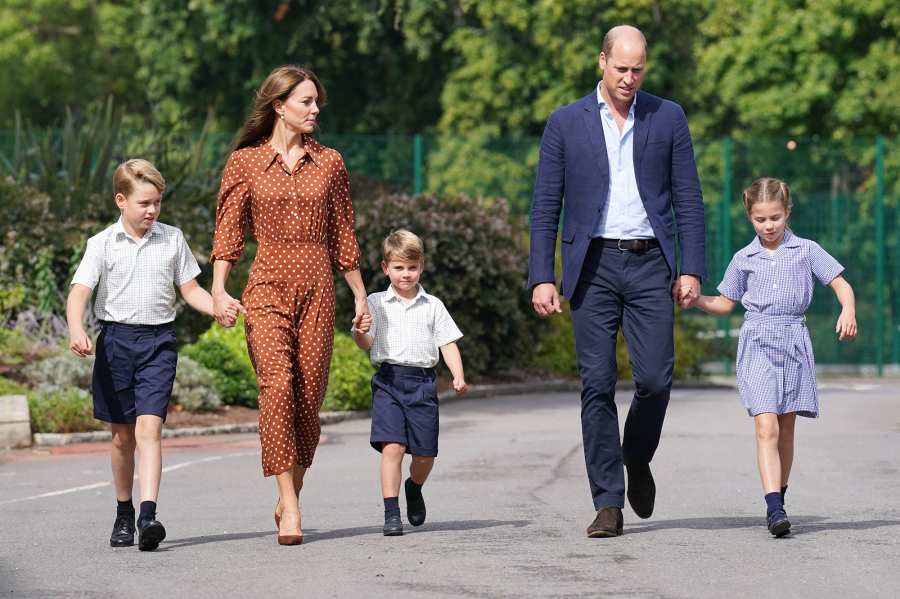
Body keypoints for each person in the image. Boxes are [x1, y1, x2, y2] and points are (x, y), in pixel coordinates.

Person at [528, 25, 707, 537]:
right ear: (601, 61)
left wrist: (690, 267)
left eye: (638, 69)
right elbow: (545, 207)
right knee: (598, 384)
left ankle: (637, 455)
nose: (629, 78)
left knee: (654, 379)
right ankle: (607, 501)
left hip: (652, 263)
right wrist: (543, 276)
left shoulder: (667, 116)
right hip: (593, 265)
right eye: (621, 68)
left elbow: (689, 199)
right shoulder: (565, 123)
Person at [210, 65, 369, 546]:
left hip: (319, 286)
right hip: (267, 288)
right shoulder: (245, 163)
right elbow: (228, 232)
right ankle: (293, 508)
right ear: (279, 106)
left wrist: (361, 294)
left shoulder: (331, 162)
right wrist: (219, 289)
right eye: (306, 101)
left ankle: (289, 491)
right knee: (277, 386)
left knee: (308, 398)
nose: (315, 109)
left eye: (316, 101)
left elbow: (343, 233)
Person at [66, 159, 238, 551]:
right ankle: (124, 511)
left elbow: (191, 290)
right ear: (121, 200)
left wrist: (218, 307)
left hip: (159, 343)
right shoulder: (102, 243)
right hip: (115, 345)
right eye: (144, 203)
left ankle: (148, 515)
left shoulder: (172, 239)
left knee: (150, 429)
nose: (152, 210)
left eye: (157, 202)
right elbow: (80, 292)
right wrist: (77, 329)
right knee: (121, 438)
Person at [690, 177, 857, 537]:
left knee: (786, 427)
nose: (768, 226)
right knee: (765, 424)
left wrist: (849, 310)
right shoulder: (743, 258)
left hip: (794, 340)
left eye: (775, 218)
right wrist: (698, 300)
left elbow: (841, 284)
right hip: (757, 342)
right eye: (760, 219)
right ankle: (774, 508)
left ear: (787, 213)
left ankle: (779, 495)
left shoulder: (807, 250)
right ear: (750, 217)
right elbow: (725, 302)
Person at [351, 229, 467, 536]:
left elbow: (448, 343)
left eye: (412, 268)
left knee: (425, 454)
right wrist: (358, 330)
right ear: (385, 268)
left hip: (422, 384)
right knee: (393, 447)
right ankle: (392, 513)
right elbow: (365, 343)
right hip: (389, 381)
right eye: (399, 268)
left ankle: (414, 487)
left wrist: (457, 374)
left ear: (422, 266)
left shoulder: (433, 305)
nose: (406, 274)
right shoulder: (376, 303)